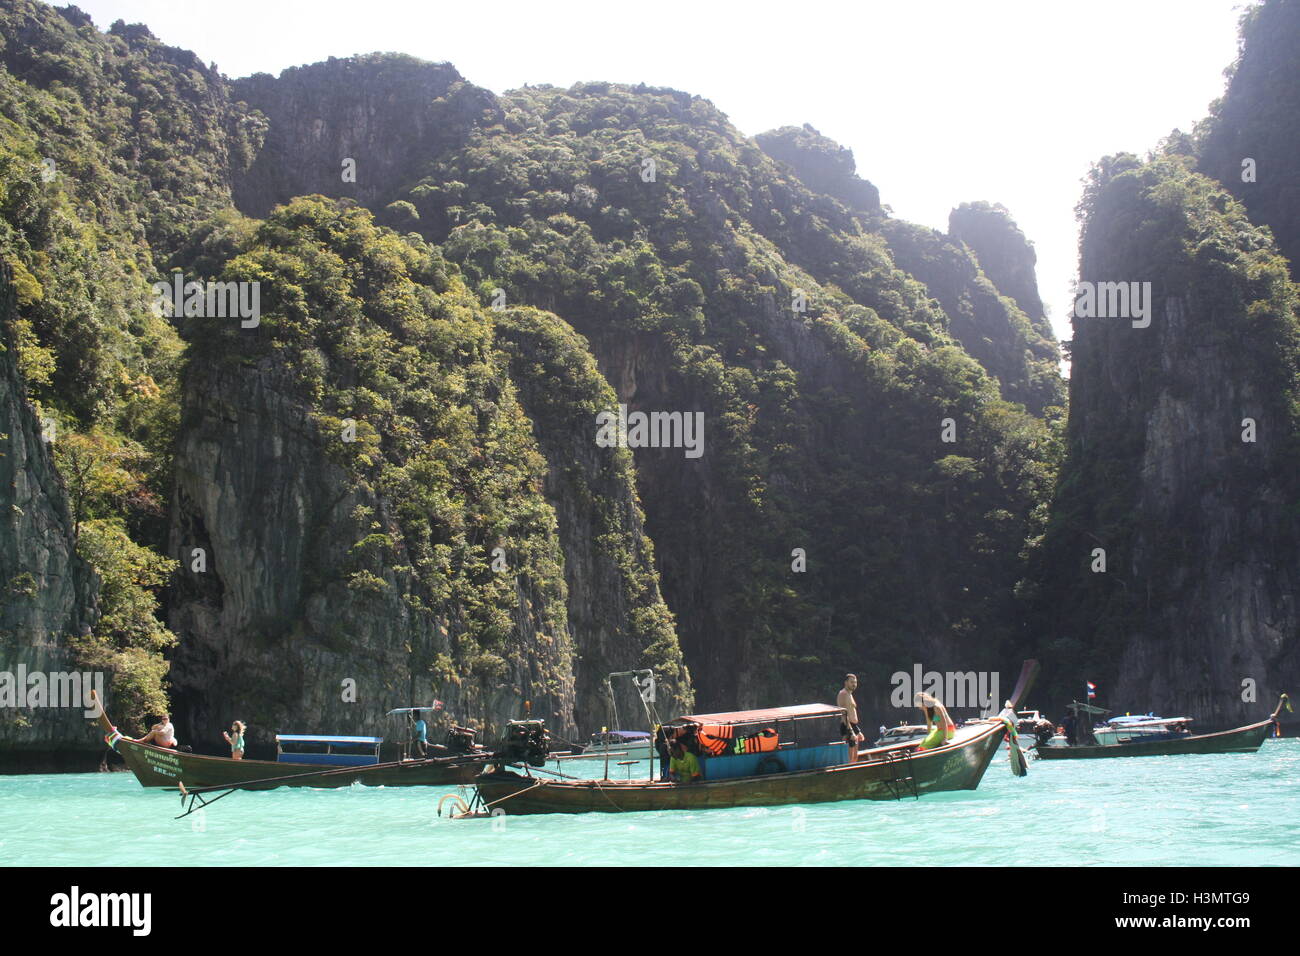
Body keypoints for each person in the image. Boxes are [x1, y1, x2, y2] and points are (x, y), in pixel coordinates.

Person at [837, 674, 864, 760]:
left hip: (853, 725)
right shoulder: (843, 693)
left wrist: (857, 730)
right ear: (846, 683)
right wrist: (851, 731)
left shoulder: (849, 694)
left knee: (855, 756)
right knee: (850, 757)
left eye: (855, 682)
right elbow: (844, 714)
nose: (854, 684)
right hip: (847, 725)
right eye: (851, 682)